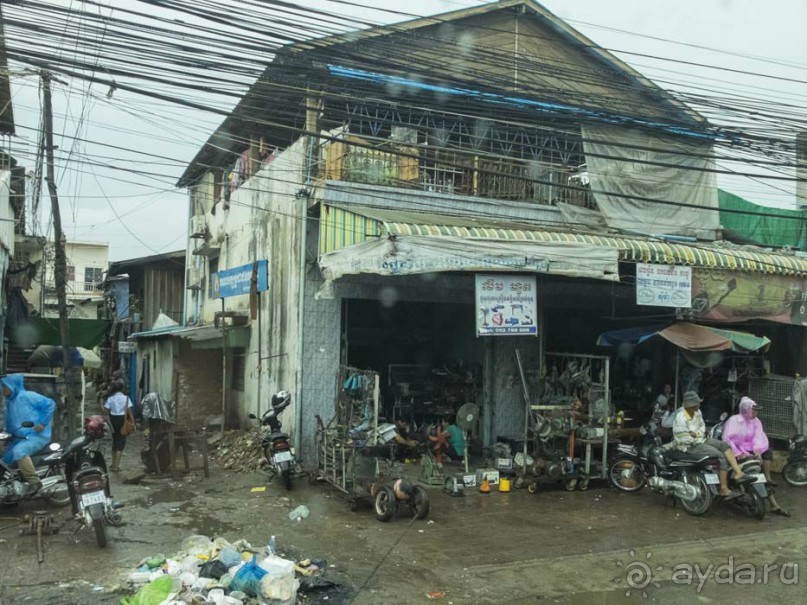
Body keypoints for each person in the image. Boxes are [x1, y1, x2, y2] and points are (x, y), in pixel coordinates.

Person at [672, 390, 751, 497]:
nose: (699, 404)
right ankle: (723, 488)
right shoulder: (680, 417)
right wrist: (695, 436)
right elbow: (683, 438)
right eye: (697, 403)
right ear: (691, 405)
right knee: (720, 455)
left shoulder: (698, 412)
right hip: (689, 446)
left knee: (725, 446)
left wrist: (696, 434)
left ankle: (738, 472)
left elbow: (702, 427)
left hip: (701, 439)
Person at [722, 397, 790, 517]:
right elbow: (728, 439)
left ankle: (768, 478)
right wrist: (737, 453)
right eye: (753, 411)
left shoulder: (756, 421)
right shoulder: (734, 420)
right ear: (745, 410)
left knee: (767, 453)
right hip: (737, 449)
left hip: (752, 448)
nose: (755, 413)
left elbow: (758, 437)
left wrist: (757, 449)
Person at [0, 374, 56, 493]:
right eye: (2, 386)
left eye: (5, 386)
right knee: (5, 462)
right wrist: (7, 436)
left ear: (13, 385)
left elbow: (50, 404)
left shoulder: (27, 396)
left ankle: (34, 482)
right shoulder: (10, 402)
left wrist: (43, 423)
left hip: (36, 436)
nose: (3, 389)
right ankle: (11, 492)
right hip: (19, 438)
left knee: (19, 451)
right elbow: (11, 423)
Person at [103, 379, 133, 472]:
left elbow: (105, 411)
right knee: (121, 442)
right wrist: (133, 422)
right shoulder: (126, 398)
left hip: (113, 420)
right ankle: (117, 466)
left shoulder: (110, 399)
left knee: (115, 441)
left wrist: (101, 404)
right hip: (122, 420)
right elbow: (129, 412)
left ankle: (113, 464)